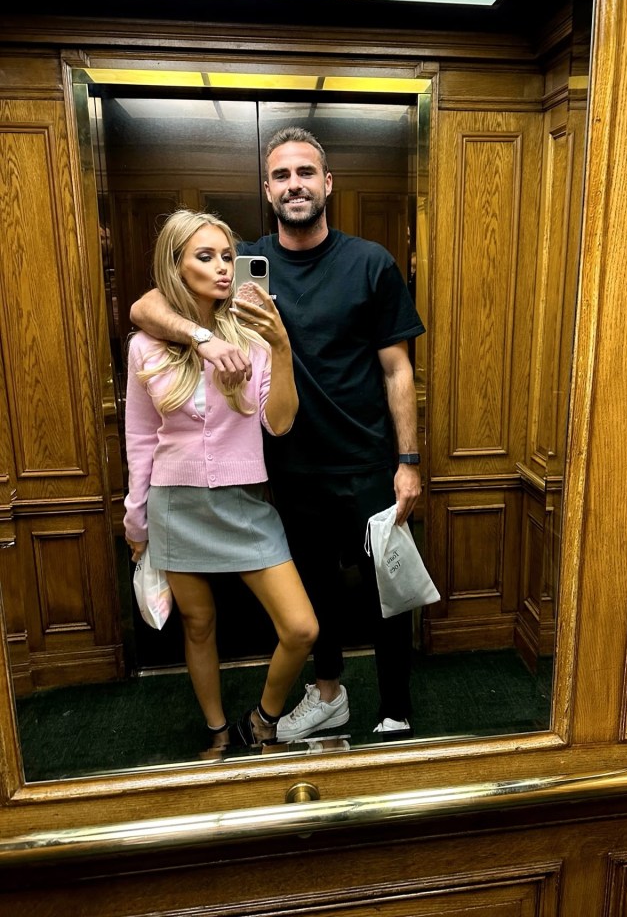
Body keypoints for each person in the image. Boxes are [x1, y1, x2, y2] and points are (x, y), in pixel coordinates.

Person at [130, 127, 425, 739]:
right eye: (282, 175)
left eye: (306, 172)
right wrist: (204, 337)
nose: (295, 184)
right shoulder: (240, 265)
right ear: (267, 189)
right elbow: (145, 307)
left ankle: (395, 709)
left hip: (368, 459)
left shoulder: (371, 262)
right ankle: (327, 695)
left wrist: (409, 459)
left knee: (384, 590)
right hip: (288, 464)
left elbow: (398, 369)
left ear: (328, 183)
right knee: (315, 593)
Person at [123, 208, 318, 757]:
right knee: (199, 624)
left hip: (245, 503)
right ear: (176, 266)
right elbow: (140, 440)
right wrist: (135, 520)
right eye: (204, 257)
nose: (223, 268)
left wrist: (280, 349)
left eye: (228, 256)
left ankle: (262, 719)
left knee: (301, 628)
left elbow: (277, 422)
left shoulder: (253, 339)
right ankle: (215, 731)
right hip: (174, 504)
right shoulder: (147, 345)